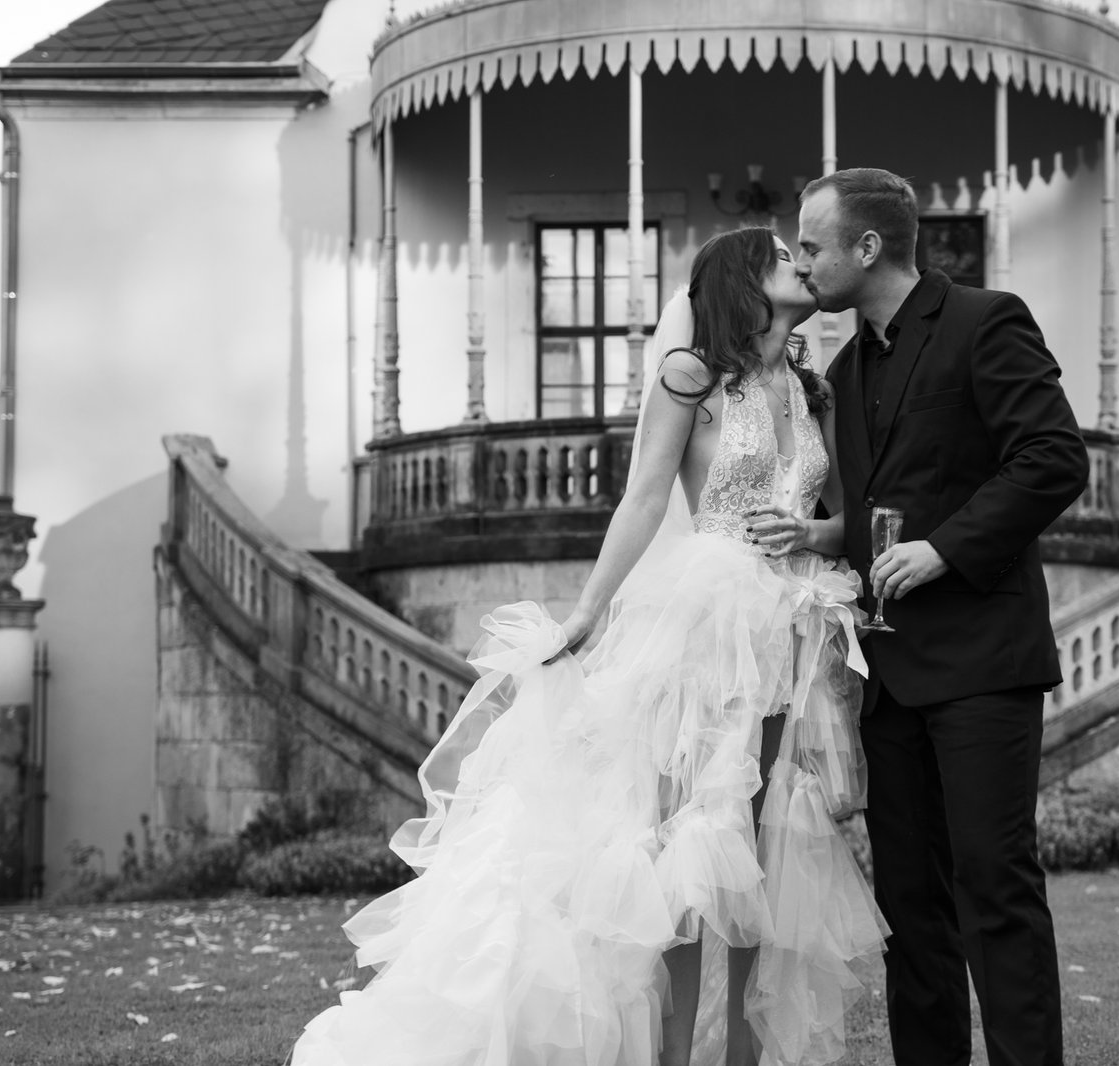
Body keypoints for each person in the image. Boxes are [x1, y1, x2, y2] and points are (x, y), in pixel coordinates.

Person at [287, 227, 886, 1066]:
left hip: (791, 627)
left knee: (761, 842)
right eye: (783, 254)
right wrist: (589, 612)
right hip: (704, 623)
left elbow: (845, 520)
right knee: (691, 840)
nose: (801, 261)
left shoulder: (816, 390)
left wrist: (814, 532)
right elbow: (643, 500)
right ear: (746, 283)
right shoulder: (693, 379)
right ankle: (676, 1054)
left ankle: (746, 1056)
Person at [794, 168, 1089, 1066]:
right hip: (889, 678)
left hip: (984, 665)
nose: (802, 264)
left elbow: (1051, 459)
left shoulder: (985, 319)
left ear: (868, 246)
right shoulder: (845, 368)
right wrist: (816, 535)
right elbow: (880, 504)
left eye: (812, 245)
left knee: (993, 890)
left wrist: (944, 549)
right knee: (911, 907)